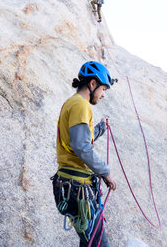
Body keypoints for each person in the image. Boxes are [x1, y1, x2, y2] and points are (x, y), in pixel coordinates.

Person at [51, 61, 117, 247]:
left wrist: (101, 128)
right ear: (93, 84)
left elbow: (80, 140)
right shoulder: (82, 105)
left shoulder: (72, 103)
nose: (104, 95)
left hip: (70, 184)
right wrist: (106, 172)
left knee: (89, 241)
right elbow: (81, 147)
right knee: (97, 244)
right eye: (103, 89)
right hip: (78, 187)